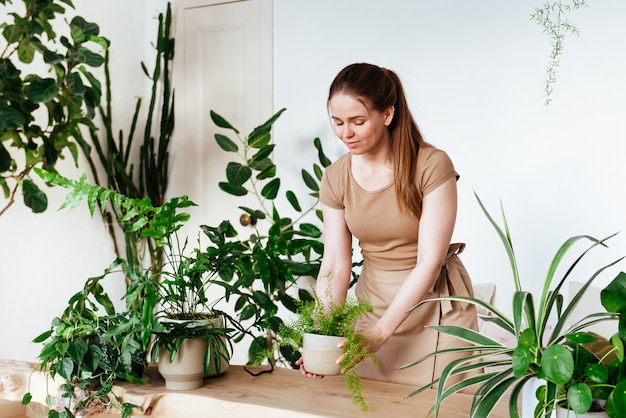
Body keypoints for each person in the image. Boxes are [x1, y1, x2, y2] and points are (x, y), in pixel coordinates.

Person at [295, 63, 479, 387]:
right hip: (373, 306)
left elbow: (429, 262)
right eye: (337, 122)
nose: (345, 133)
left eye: (357, 121)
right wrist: (321, 337)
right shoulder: (335, 177)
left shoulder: (432, 165)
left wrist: (383, 330)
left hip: (437, 308)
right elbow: (336, 264)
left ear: (388, 114)